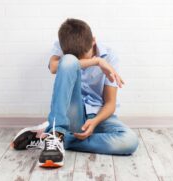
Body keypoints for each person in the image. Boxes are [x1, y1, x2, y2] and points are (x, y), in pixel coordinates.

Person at [11, 18, 139, 168]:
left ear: (93, 41)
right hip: (71, 114)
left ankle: (58, 140)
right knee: (69, 61)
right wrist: (95, 61)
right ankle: (56, 133)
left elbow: (110, 103)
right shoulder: (64, 44)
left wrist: (95, 121)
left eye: (87, 57)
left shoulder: (110, 56)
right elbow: (53, 67)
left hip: (97, 115)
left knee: (129, 141)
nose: (83, 65)